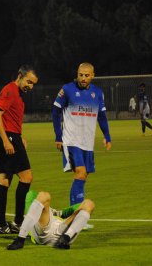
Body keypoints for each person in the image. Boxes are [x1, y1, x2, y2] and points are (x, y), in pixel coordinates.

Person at [52, 62, 112, 207]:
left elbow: (102, 116)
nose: (83, 78)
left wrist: (107, 136)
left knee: (83, 176)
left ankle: (75, 213)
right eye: (80, 75)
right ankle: (76, 215)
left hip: (87, 142)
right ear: (77, 74)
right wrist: (58, 137)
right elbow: (55, 112)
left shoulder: (97, 93)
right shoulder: (67, 89)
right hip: (71, 140)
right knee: (80, 173)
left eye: (86, 75)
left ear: (92, 75)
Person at [0, 65, 39, 234]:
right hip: (8, 138)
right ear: (20, 76)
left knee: (4, 180)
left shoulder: (17, 93)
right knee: (27, 177)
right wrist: (7, 141)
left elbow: (12, 118)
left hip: (12, 136)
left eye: (33, 84)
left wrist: (20, 136)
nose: (30, 86)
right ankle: (18, 222)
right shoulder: (10, 90)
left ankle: (0, 224)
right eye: (28, 82)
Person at [7, 190, 95, 250]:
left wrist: (58, 213)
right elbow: (31, 195)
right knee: (45, 195)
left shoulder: (54, 212)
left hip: (63, 232)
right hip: (45, 232)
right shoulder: (37, 213)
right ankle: (20, 239)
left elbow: (73, 209)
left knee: (89, 203)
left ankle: (65, 239)